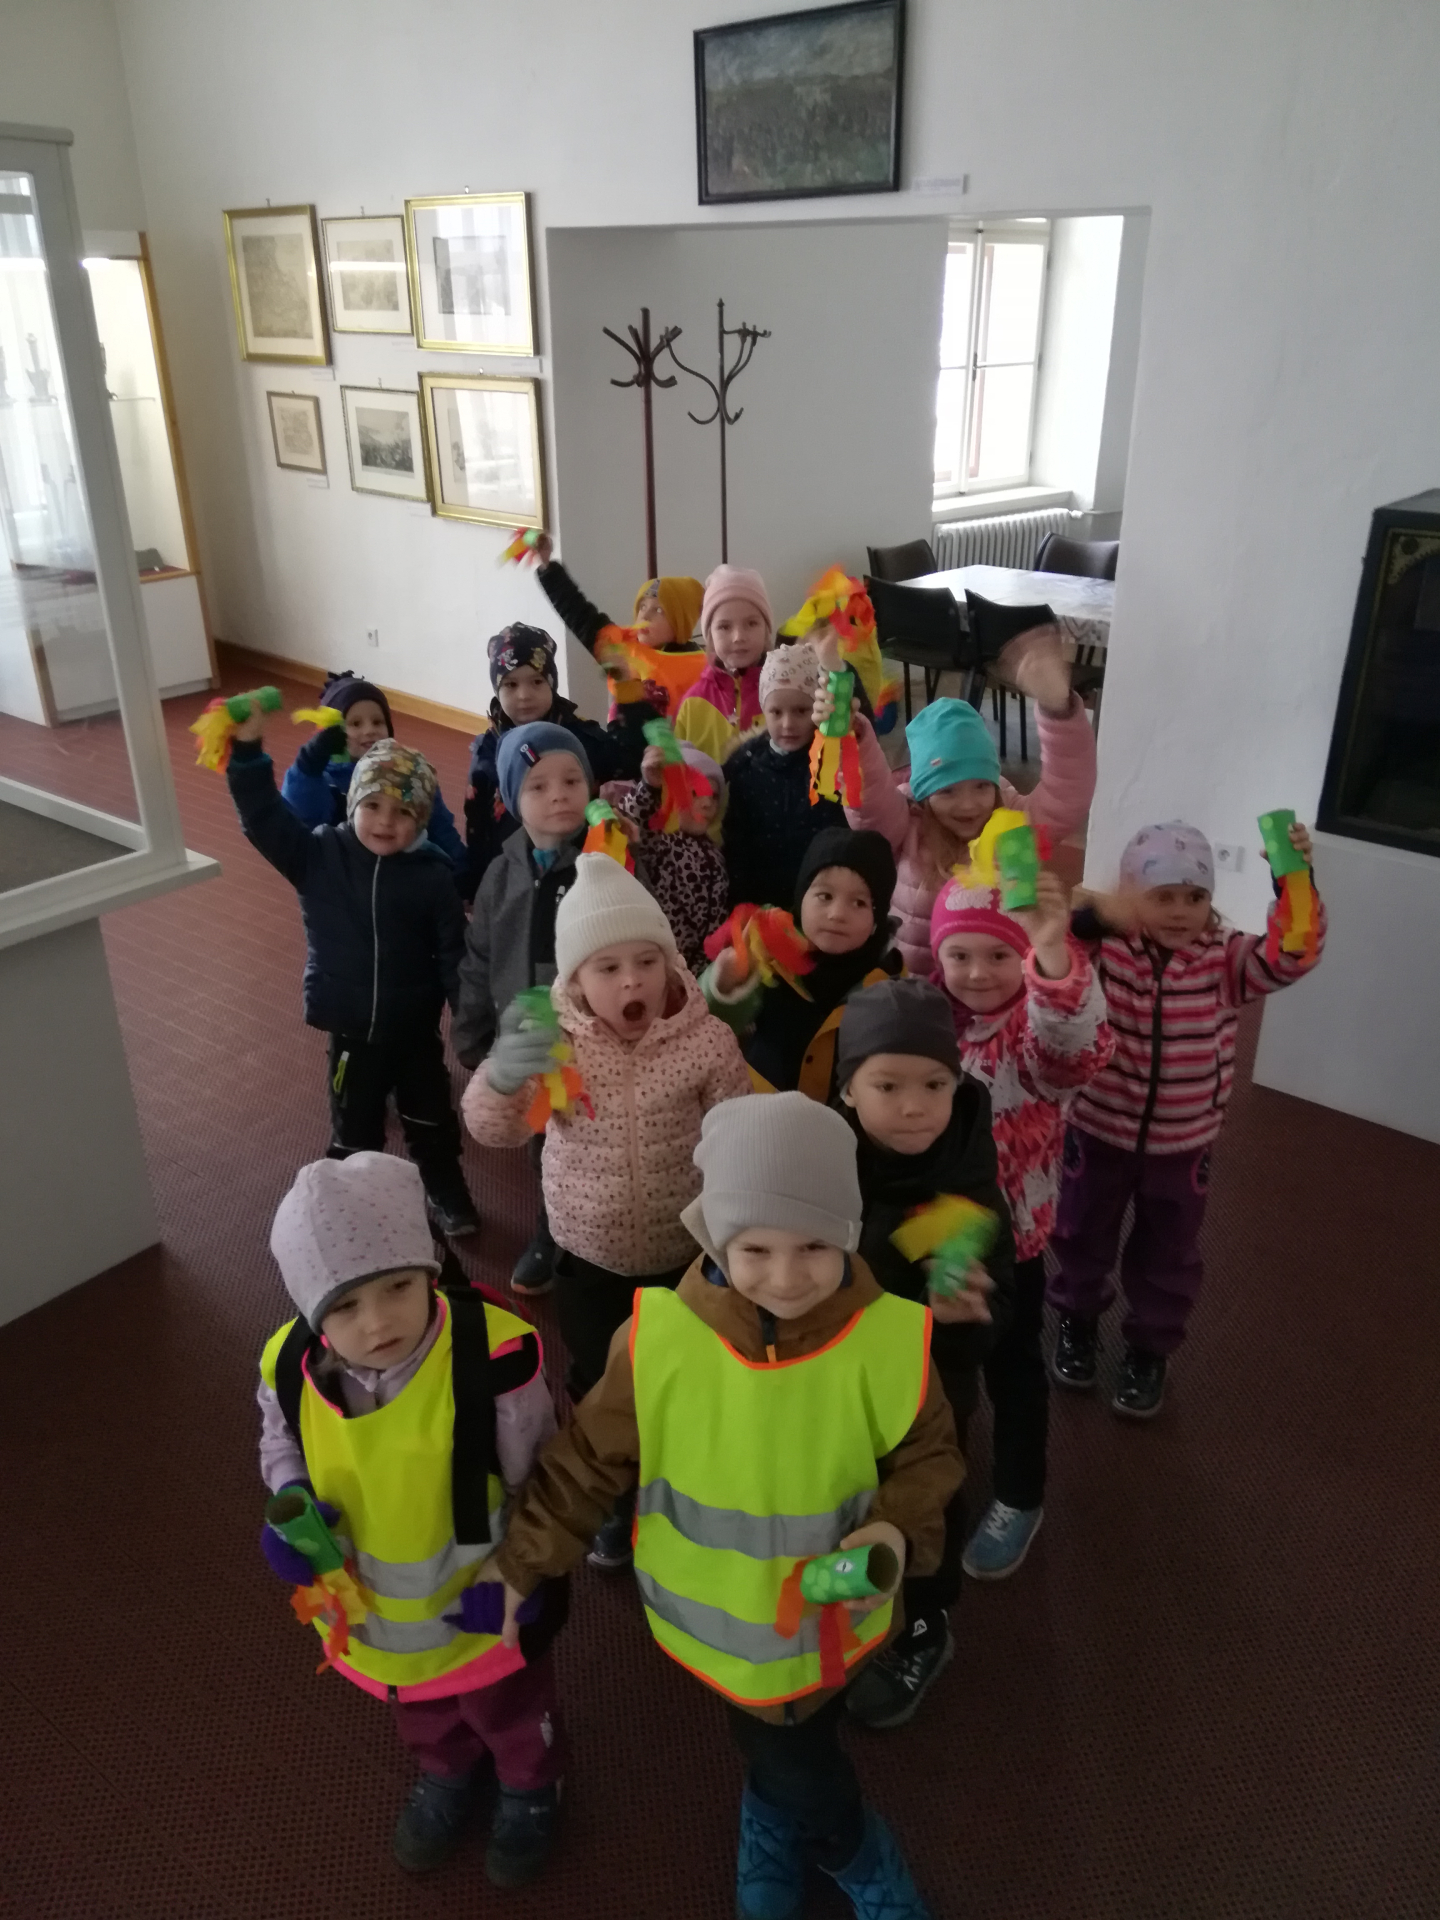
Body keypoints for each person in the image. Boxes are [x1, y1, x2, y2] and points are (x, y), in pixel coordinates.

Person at [489, 1093, 962, 1920]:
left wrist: (896, 1528)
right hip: (723, 1626)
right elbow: (589, 1460)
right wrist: (521, 1563)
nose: (786, 1276)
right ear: (714, 1239)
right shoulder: (660, 1342)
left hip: (838, 1619)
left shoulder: (891, 1340)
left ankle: (785, 1823)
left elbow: (931, 1456)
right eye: (756, 1249)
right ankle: (848, 1848)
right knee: (791, 1751)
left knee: (796, 1746)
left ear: (849, 1235)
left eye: (814, 1246)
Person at [256, 1153, 567, 1887]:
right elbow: (280, 1438)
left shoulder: (491, 1359)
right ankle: (446, 1767)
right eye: (345, 1307)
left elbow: (541, 1472)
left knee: (505, 1699)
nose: (378, 1322)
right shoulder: (288, 1365)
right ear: (312, 1314)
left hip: (485, 1588)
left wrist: (530, 1569)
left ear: (430, 1269)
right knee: (418, 1701)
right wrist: (290, 1501)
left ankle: (531, 1782)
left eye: (398, 1287)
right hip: (375, 1606)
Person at [462, 851, 751, 1567]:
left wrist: (735, 1231)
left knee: (683, 1375)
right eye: (608, 967)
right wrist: (503, 1074)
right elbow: (495, 1131)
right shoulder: (556, 1045)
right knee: (598, 1381)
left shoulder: (706, 1040)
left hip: (683, 1254)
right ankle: (615, 1498)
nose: (631, 982)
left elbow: (739, 1136)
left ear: (670, 963)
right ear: (574, 980)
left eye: (646, 962)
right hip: (588, 1253)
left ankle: (678, 1483)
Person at [1050, 818, 1326, 1416]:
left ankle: (1150, 1347)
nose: (1181, 911)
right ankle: (1077, 1319)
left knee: (1169, 1253)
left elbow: (1293, 952)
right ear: (1132, 897)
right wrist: (1097, 917)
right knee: (1080, 1232)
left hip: (1183, 1143)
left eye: (1195, 896)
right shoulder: (1106, 951)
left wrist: (1294, 878)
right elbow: (1051, 947)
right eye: (1163, 896)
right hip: (1099, 1130)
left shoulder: (1224, 957)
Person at [833, 978, 1016, 1727]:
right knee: (844, 1500)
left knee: (926, 1508)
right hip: (836, 1390)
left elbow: (998, 1322)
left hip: (931, 1397)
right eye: (888, 1085)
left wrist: (964, 1319)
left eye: (935, 1085)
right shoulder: (823, 1166)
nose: (914, 1106)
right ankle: (850, 1602)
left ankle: (924, 1627)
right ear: (847, 1089)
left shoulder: (969, 1186)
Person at [227, 716, 479, 1237]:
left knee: (431, 1117)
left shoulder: (433, 878)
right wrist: (248, 754)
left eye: (403, 811)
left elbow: (455, 957)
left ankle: (445, 1188)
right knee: (354, 1127)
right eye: (373, 805)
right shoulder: (319, 856)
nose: (386, 821)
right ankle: (355, 1203)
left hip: (414, 1030)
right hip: (350, 1031)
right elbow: (263, 818)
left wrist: (471, 1026)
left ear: (421, 818)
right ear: (352, 804)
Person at [928, 867, 1114, 1578]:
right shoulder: (930, 1018)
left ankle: (1018, 1493)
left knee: (1012, 1369)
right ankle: (928, 1474)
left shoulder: (1031, 1036)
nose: (977, 973)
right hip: (935, 1231)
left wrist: (1051, 952)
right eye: (960, 954)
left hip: (1014, 1242)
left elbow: (1071, 1047)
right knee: (934, 1361)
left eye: (998, 954)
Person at [827, 622, 1097, 976]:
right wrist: (853, 737)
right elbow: (869, 797)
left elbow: (1068, 789)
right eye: (948, 791)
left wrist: (1057, 709)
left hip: (993, 984)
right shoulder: (908, 819)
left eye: (981, 786)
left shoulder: (1014, 821)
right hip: (917, 981)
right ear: (923, 796)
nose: (968, 804)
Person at [452, 723, 604, 1294]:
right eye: (538, 786)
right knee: (546, 1147)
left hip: (594, 1041)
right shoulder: (502, 872)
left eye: (572, 781)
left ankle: (603, 1233)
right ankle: (550, 1232)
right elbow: (479, 957)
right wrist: (473, 1032)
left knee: (597, 1138)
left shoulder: (606, 861)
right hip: (530, 1044)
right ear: (513, 799)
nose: (559, 795)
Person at [702, 826, 900, 1100]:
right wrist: (726, 983)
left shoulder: (889, 983)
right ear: (801, 897)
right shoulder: (769, 952)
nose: (837, 914)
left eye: (859, 903)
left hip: (838, 1118)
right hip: (760, 1107)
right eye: (825, 896)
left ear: (877, 919)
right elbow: (708, 1027)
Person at [462, 623, 631, 902]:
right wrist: (477, 889)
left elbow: (625, 761)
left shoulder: (583, 739)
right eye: (511, 684)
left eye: (537, 681)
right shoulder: (487, 753)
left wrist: (629, 697)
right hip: (513, 880)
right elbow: (477, 826)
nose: (524, 695)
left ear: (552, 682)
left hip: (580, 874)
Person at [529, 530, 707, 757]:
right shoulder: (622, 647)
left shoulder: (700, 665)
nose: (645, 615)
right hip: (622, 754)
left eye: (659, 610)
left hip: (675, 757)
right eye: (642, 607)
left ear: (680, 623)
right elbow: (580, 614)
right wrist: (548, 567)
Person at [281, 670, 467, 875]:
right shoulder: (326, 779)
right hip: (344, 875)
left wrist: (462, 867)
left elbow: (438, 824)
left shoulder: (408, 772)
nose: (369, 730)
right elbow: (300, 815)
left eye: (378, 722)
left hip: (404, 874)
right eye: (355, 723)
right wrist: (307, 767)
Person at [721, 639, 846, 912]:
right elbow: (736, 844)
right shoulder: (746, 767)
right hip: (763, 903)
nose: (788, 724)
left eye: (801, 711)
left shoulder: (829, 759)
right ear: (763, 711)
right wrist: (741, 906)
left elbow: (844, 719)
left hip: (821, 900)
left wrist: (835, 671)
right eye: (776, 712)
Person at [611, 740, 730, 974]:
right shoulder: (658, 840)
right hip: (652, 965)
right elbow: (632, 820)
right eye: (695, 792)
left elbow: (715, 923)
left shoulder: (716, 856)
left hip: (692, 973)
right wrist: (650, 787)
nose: (707, 803)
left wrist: (702, 973)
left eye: (714, 796)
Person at [670, 563, 777, 763]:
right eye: (725, 627)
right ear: (710, 635)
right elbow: (679, 768)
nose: (738, 637)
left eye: (751, 623)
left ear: (766, 630)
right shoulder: (692, 703)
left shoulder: (784, 692)